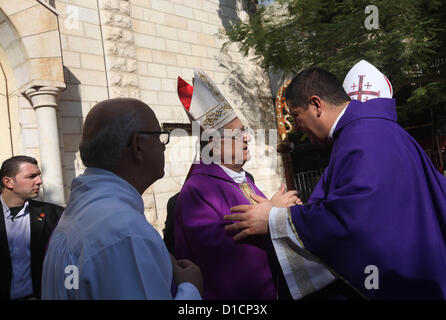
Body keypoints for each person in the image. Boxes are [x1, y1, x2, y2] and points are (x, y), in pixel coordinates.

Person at [225, 63, 446, 299]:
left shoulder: (362, 137)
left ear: (316, 104)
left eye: (296, 116)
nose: (297, 127)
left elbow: (353, 221)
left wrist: (274, 219)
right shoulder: (380, 131)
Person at [41, 98, 203, 300]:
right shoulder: (125, 233)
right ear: (138, 145)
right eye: (160, 137)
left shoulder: (86, 211)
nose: (163, 147)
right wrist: (191, 287)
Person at [174, 69, 302, 300]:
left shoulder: (245, 179)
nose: (246, 138)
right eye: (236, 134)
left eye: (244, 132)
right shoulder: (197, 191)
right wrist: (274, 215)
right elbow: (222, 257)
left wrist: (288, 213)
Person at [0, 155, 63, 300]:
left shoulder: (54, 214)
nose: (39, 181)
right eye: (31, 176)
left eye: (39, 175)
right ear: (8, 182)